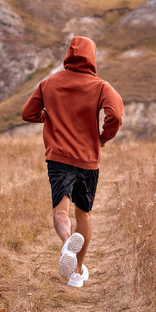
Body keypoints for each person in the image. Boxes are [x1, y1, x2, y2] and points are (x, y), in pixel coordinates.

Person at [21, 36, 124, 288]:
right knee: (84, 214)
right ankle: (77, 272)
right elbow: (116, 115)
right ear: (92, 56)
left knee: (61, 210)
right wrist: (103, 138)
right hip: (88, 160)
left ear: (69, 55)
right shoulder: (101, 87)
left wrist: (50, 117)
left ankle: (67, 242)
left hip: (58, 158)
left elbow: (28, 113)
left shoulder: (49, 83)